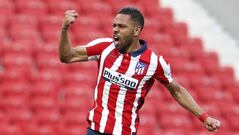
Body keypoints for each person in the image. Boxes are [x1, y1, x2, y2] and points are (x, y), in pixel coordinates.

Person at [59, 7, 221, 135]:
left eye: (121, 26)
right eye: (114, 25)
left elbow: (177, 91)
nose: (115, 29)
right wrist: (65, 30)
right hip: (95, 130)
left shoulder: (154, 62)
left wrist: (204, 117)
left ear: (136, 31)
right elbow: (67, 57)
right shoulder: (104, 47)